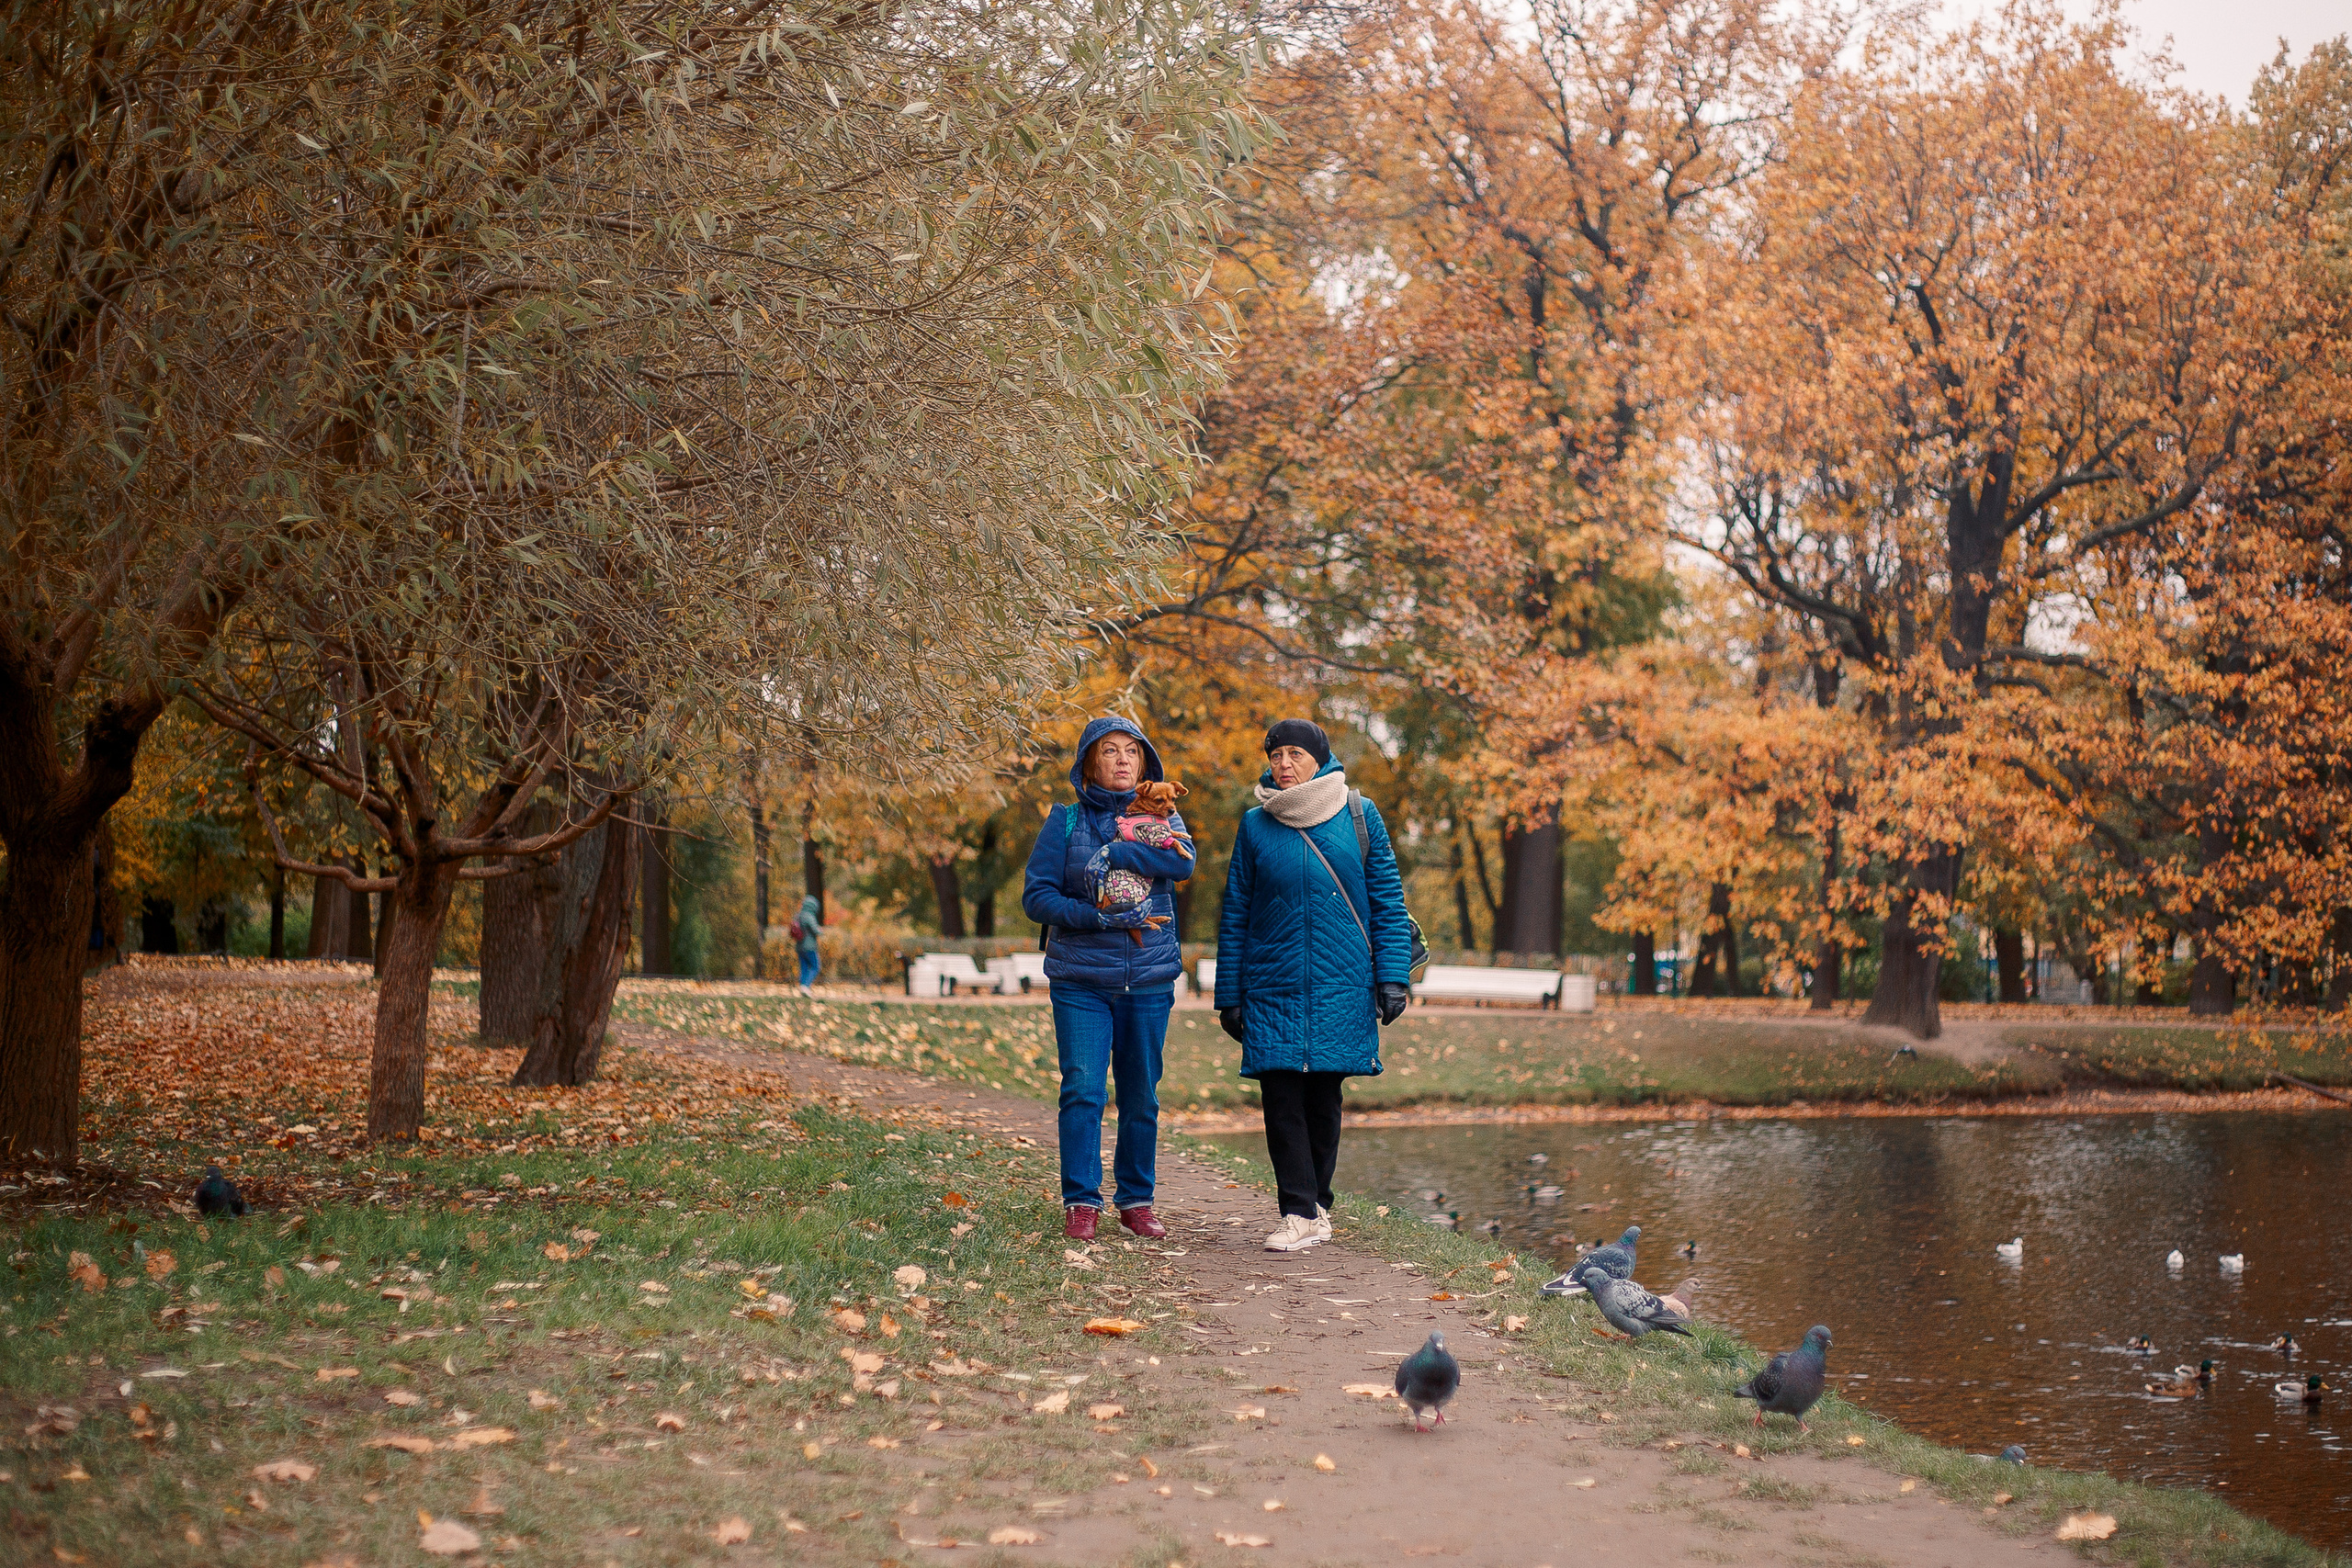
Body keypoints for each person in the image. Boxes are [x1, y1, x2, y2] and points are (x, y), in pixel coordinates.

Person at [1214, 719, 1411, 1252]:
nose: (1283, 764)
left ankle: (1317, 1205)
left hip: (1341, 982)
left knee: (1323, 1100)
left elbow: (1388, 904)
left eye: (1294, 753)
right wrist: (1228, 993)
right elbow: (1235, 912)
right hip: (1272, 985)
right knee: (1280, 1099)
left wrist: (1393, 977)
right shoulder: (1256, 824)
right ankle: (1297, 1212)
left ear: (1320, 758)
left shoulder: (1358, 814)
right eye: (1275, 754)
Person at [1021, 716, 1193, 1242]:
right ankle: (1081, 1201)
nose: (1122, 760)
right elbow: (1037, 898)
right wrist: (1095, 916)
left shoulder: (1167, 816)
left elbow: (1183, 865)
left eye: (1132, 753)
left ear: (1144, 765)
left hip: (1148, 980)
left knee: (1141, 1095)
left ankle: (1136, 1201)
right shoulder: (1066, 822)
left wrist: (1117, 852)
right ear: (1089, 764)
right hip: (1081, 980)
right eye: (1109, 752)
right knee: (1083, 1090)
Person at [793, 891, 823, 996]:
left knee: (804, 967)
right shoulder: (809, 916)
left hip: (799, 946)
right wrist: (820, 930)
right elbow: (815, 930)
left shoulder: (798, 915)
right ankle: (806, 986)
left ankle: (802, 986)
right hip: (809, 946)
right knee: (816, 966)